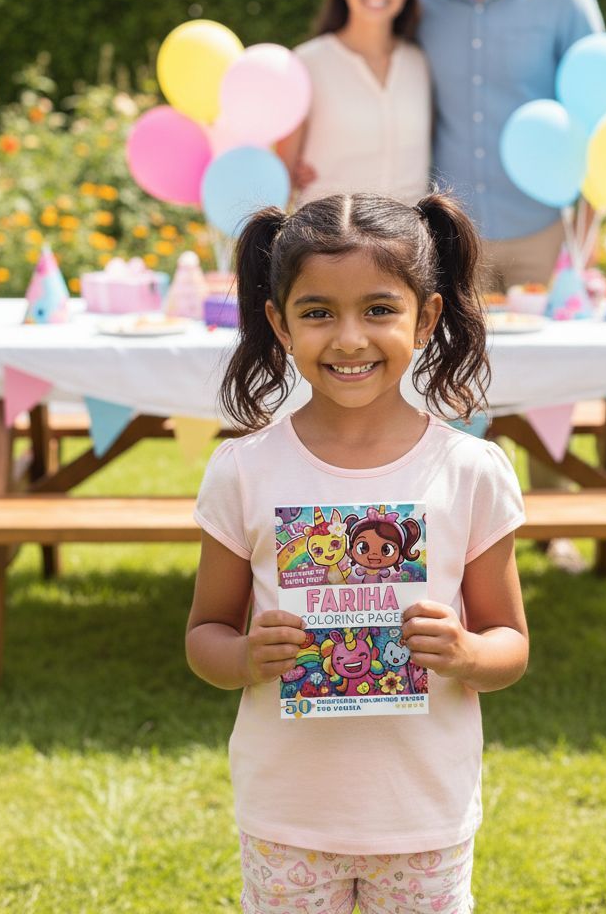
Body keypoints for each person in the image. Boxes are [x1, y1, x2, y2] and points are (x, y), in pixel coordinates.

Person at [186, 191, 528, 914]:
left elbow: (511, 646)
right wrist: (245, 656)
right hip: (288, 817)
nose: (348, 339)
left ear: (426, 316)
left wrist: (466, 651)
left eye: (379, 309)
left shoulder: (471, 472)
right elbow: (203, 636)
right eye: (318, 312)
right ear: (279, 323)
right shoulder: (242, 471)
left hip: (422, 817)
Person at [417, 0, 605, 291]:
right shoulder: (420, 9)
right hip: (453, 242)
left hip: (547, 236)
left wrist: (586, 236)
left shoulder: (565, 0)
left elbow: (599, 119)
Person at [277, 0, 431, 206]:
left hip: (408, 243)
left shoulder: (419, 62)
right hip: (329, 242)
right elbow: (282, 177)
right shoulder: (307, 63)